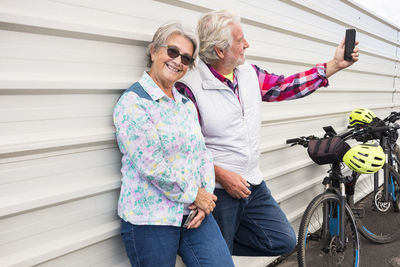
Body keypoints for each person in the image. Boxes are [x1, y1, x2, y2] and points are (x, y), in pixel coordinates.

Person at [176, 10, 359, 256]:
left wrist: (334, 65)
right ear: (220, 51)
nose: (247, 44)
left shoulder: (248, 73)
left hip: (252, 182)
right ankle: (210, 247)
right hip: (219, 191)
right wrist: (221, 175)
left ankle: (212, 245)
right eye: (240, 41)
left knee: (282, 240)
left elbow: (285, 86)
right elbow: (187, 149)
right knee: (217, 256)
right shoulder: (190, 87)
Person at [113, 22, 234, 267]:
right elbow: (152, 166)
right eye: (172, 52)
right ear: (154, 51)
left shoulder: (184, 104)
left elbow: (203, 154)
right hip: (150, 219)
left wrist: (206, 198)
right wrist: (195, 195)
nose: (178, 61)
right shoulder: (133, 103)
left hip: (192, 214)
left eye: (186, 58)